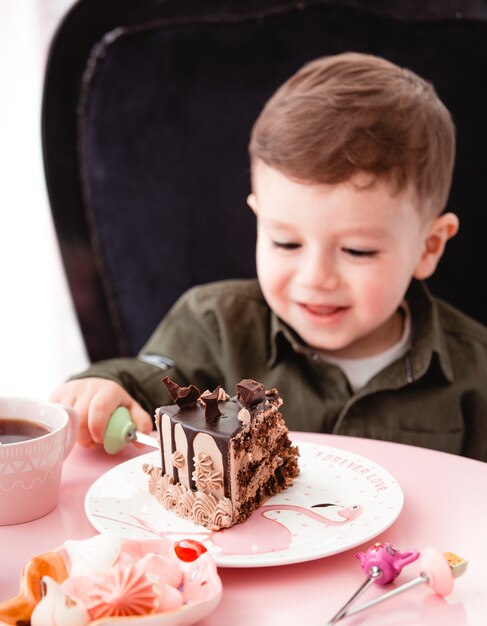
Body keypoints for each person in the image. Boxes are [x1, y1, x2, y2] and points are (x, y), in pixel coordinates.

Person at [51, 52, 487, 461]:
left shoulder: (476, 370)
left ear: (429, 247)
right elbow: (143, 383)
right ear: (259, 220)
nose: (315, 278)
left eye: (357, 250)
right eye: (286, 244)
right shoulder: (215, 325)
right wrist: (104, 388)